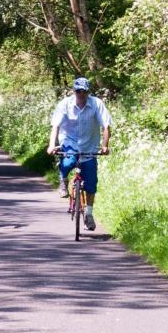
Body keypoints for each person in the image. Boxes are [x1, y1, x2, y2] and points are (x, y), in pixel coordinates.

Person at [47, 76, 111, 231]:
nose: (81, 94)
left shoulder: (96, 104)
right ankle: (63, 179)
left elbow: (106, 126)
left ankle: (89, 214)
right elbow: (55, 126)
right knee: (68, 162)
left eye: (84, 91)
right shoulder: (65, 104)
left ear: (88, 92)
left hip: (89, 146)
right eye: (78, 91)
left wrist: (104, 146)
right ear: (73, 91)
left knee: (91, 183)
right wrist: (51, 145)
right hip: (70, 143)